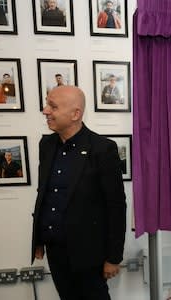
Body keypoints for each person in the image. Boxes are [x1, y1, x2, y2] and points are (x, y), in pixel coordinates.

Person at [31, 86, 126, 300]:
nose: (45, 111)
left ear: (75, 114)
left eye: (53, 106)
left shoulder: (102, 149)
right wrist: (39, 237)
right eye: (47, 104)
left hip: (89, 253)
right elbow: (45, 194)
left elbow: (116, 206)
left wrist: (113, 257)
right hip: (55, 249)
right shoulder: (46, 145)